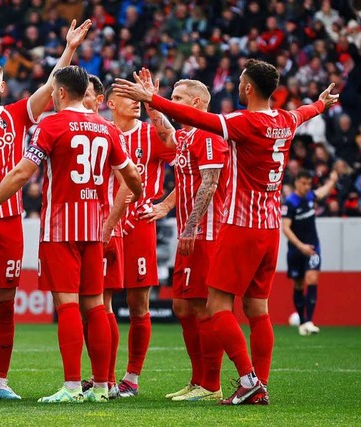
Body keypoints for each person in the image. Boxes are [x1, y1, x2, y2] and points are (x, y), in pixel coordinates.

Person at [113, 59, 339, 404]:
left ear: (248, 88)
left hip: (240, 226)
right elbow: (307, 112)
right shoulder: (286, 119)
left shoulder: (241, 122)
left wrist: (152, 99)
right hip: (270, 228)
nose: (235, 85)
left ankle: (245, 379)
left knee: (216, 305)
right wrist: (322, 102)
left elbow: (199, 119)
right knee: (257, 309)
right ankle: (258, 385)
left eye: (239, 81)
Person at [0, 19, 92, 401]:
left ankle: (0, 383)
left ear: (2, 87)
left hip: (7, 222)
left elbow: (52, 84)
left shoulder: (17, 115)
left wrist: (69, 48)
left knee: (4, 304)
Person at [0, 65, 142, 403]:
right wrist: (125, 201)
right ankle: (99, 387)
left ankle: (70, 387)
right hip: (94, 230)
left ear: (62, 92)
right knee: (94, 306)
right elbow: (133, 177)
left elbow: (22, 173)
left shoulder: (50, 125)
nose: (51, 96)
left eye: (53, 92)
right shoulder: (107, 128)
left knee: (67, 305)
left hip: (60, 229)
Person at [138, 73, 227, 402]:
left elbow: (210, 183)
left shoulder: (208, 133)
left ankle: (211, 385)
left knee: (202, 307)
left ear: (197, 103)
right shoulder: (190, 136)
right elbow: (170, 139)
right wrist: (153, 104)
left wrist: (190, 226)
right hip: (191, 231)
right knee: (182, 306)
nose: (172, 100)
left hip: (206, 232)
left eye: (177, 97)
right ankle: (197, 380)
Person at [104, 82, 176, 398]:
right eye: (127, 97)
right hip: (103, 226)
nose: (134, 102)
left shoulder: (150, 133)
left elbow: (190, 161)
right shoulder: (100, 132)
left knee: (137, 305)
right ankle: (101, 377)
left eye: (137, 97)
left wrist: (166, 205)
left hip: (139, 227)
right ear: (109, 103)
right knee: (98, 303)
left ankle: (131, 377)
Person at [81, 74, 131, 399]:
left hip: (99, 232)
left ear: (100, 100)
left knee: (99, 306)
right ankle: (106, 379)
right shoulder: (90, 129)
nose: (80, 99)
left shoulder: (105, 131)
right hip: (89, 230)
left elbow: (128, 182)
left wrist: (108, 225)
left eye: (86, 94)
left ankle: (107, 380)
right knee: (101, 307)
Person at [282, 169, 337, 336]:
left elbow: (322, 191)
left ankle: (309, 321)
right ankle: (302, 320)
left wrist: (332, 180)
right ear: (297, 182)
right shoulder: (290, 202)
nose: (307, 187)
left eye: (308, 184)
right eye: (304, 183)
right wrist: (300, 246)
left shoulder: (310, 197)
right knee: (298, 284)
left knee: (312, 279)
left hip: (313, 248)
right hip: (296, 250)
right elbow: (285, 228)